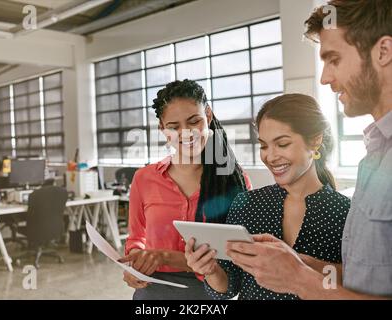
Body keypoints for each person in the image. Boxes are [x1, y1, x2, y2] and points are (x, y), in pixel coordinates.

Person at [219, 0, 392, 299]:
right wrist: (302, 266)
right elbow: (371, 275)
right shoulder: (374, 159)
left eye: (334, 58)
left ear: (383, 52)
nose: (324, 77)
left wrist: (300, 280)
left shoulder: (343, 202)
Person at [185, 94, 351, 299]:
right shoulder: (247, 204)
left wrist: (297, 266)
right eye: (264, 146)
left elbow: (356, 284)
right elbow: (229, 287)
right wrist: (210, 270)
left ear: (315, 141)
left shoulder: (346, 213)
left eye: (282, 144)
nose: (270, 156)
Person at [119, 79, 252, 300]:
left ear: (208, 116)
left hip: (211, 291)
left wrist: (164, 257)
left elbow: (237, 257)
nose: (186, 133)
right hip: (152, 290)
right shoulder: (144, 179)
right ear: (162, 129)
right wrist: (135, 262)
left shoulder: (234, 182)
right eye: (173, 127)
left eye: (194, 121)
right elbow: (136, 237)